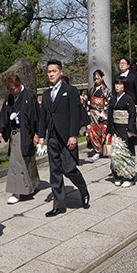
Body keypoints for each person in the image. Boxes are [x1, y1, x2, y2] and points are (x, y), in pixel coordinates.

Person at [39, 59, 89, 217]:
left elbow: (75, 114)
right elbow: (43, 116)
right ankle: (59, 205)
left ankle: (83, 190)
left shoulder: (71, 90)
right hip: (52, 136)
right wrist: (41, 136)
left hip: (67, 136)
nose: (51, 74)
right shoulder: (46, 94)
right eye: (49, 71)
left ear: (61, 72)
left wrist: (73, 135)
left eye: (54, 71)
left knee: (69, 169)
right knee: (55, 172)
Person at [0, 73, 39, 204]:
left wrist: (36, 134)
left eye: (14, 89)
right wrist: (0, 131)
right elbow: (4, 114)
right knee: (24, 159)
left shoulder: (29, 97)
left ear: (19, 85)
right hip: (15, 133)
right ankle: (32, 184)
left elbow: (36, 116)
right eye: (10, 90)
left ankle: (18, 191)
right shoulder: (10, 97)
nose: (12, 92)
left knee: (19, 161)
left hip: (26, 132)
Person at [107, 75, 137, 187]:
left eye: (120, 84)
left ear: (125, 86)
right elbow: (110, 115)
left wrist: (130, 130)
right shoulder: (113, 99)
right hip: (115, 128)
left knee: (126, 154)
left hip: (125, 129)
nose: (117, 86)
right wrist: (109, 131)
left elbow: (132, 115)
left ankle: (129, 177)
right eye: (116, 84)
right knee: (115, 154)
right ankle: (117, 175)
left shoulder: (128, 99)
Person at [85, 69, 109, 158]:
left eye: (98, 78)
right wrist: (87, 111)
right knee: (92, 132)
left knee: (101, 132)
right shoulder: (91, 90)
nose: (96, 80)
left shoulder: (105, 91)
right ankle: (96, 150)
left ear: (102, 78)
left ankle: (102, 148)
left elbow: (107, 103)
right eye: (94, 79)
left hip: (101, 113)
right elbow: (88, 102)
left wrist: (104, 113)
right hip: (92, 114)